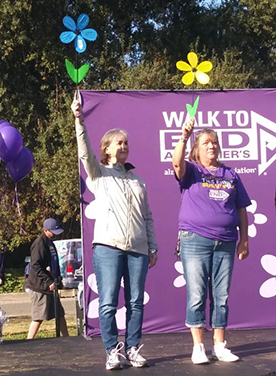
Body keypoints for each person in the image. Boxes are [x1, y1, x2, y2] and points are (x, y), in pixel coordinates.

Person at [71, 92, 158, 370]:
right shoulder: (99, 174)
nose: (124, 146)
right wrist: (79, 119)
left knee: (136, 303)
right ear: (107, 149)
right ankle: (112, 351)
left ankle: (132, 349)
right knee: (107, 303)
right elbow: (84, 151)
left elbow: (148, 216)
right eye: (119, 143)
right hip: (108, 247)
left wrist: (152, 246)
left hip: (138, 250)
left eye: (126, 143)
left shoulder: (138, 180)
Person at [172, 118, 251, 365]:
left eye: (215, 142)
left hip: (226, 242)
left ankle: (219, 345)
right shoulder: (192, 170)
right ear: (197, 148)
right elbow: (176, 163)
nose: (211, 146)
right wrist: (184, 136)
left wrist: (244, 239)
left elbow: (241, 209)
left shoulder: (231, 174)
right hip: (195, 239)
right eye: (206, 142)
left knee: (221, 295)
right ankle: (198, 347)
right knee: (196, 293)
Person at [26, 218, 69, 339]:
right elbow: (35, 265)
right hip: (39, 286)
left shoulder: (50, 242)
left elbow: (54, 263)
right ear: (45, 230)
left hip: (51, 286)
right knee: (38, 317)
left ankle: (67, 338)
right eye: (53, 232)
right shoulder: (39, 244)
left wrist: (57, 279)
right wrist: (48, 281)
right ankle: (28, 341)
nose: (56, 234)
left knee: (59, 314)